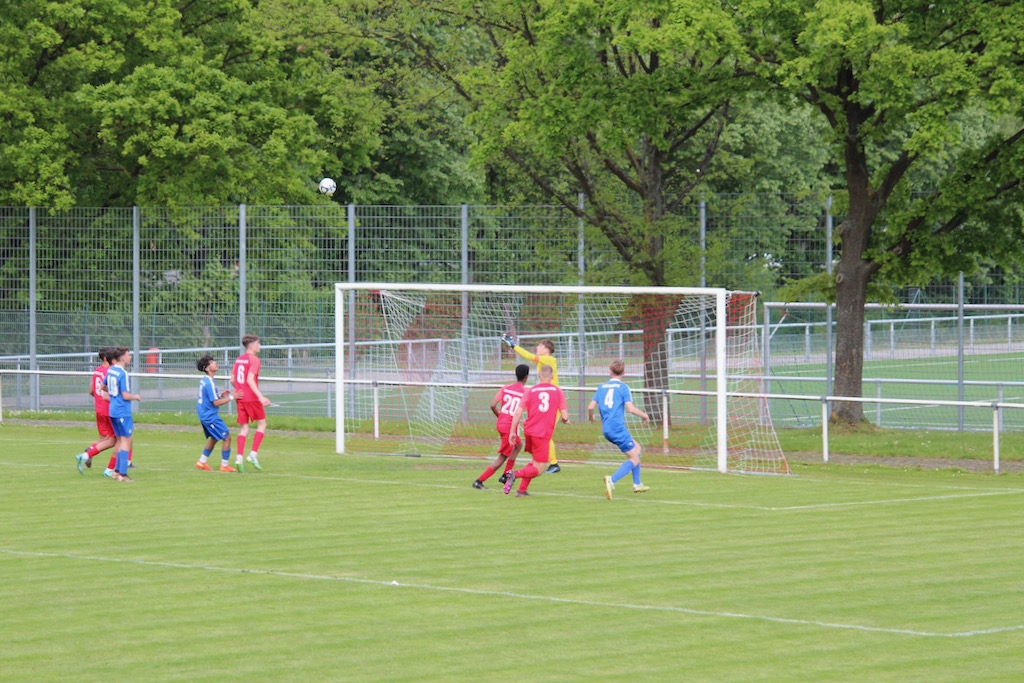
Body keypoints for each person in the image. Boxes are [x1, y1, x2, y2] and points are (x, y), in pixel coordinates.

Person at [503, 364, 569, 497]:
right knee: (539, 469)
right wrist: (565, 420)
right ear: (552, 376)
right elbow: (565, 416)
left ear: (539, 376)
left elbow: (518, 413)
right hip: (542, 433)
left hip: (529, 431)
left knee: (534, 462)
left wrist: (512, 432)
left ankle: (521, 491)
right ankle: (514, 474)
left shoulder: (530, 390)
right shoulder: (558, 392)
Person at [588, 360, 651, 499]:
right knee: (634, 458)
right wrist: (645, 415)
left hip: (607, 429)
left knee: (637, 448)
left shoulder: (602, 386)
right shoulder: (623, 387)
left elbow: (590, 407)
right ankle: (612, 480)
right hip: (617, 427)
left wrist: (591, 418)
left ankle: (637, 483)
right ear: (623, 373)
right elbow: (631, 409)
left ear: (610, 372)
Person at [502, 334, 563, 473]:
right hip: (551, 401)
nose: (537, 348)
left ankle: (553, 464)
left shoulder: (548, 359)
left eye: (540, 346)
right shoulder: (544, 360)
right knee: (545, 434)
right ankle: (550, 462)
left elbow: (529, 357)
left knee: (546, 435)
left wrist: (513, 345)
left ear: (546, 349)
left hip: (553, 402)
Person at [473, 364, 529, 490]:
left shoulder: (506, 388)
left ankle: (505, 475)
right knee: (502, 457)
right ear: (526, 377)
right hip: (510, 427)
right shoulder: (525, 393)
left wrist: (500, 417)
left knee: (518, 445)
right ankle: (479, 481)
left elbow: (493, 405)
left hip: (502, 423)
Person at [232, 333, 271, 472]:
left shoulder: (239, 359)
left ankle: (239, 458)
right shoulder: (254, 360)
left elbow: (232, 379)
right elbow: (249, 379)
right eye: (258, 343)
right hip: (251, 398)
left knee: (244, 427)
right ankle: (253, 454)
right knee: (262, 424)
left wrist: (238, 390)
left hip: (240, 397)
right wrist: (260, 396)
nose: (259, 346)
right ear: (252, 345)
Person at [195, 354, 239, 472]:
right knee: (227, 437)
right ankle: (224, 465)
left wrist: (221, 395)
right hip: (209, 416)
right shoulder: (209, 383)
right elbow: (215, 403)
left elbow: (211, 398)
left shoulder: (206, 380)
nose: (215, 363)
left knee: (214, 437)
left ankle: (201, 462)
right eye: (212, 362)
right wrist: (231, 397)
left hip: (205, 414)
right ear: (207, 368)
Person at [75, 347, 116, 474]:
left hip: (99, 409)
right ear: (106, 358)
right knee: (116, 440)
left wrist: (98, 399)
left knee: (104, 439)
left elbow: (92, 391)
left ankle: (90, 450)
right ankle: (112, 468)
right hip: (109, 408)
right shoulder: (109, 371)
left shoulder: (97, 371)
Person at [105, 347, 141, 482]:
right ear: (123, 357)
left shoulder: (111, 370)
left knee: (120, 440)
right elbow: (125, 395)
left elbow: (103, 387)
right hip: (122, 411)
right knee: (126, 440)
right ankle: (123, 474)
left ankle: (116, 472)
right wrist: (136, 397)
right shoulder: (122, 373)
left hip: (113, 410)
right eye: (128, 355)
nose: (130, 357)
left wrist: (114, 395)